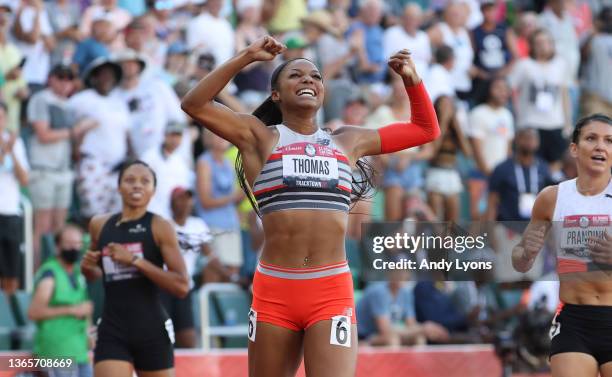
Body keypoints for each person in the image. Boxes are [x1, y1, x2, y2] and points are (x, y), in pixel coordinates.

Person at [181, 35, 439, 377]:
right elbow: (194, 104)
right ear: (276, 94)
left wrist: (412, 81)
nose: (308, 80)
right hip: (275, 289)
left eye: (316, 76)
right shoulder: (258, 137)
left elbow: (425, 129)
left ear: (323, 92)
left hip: (331, 288)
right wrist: (245, 57)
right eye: (296, 75)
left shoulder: (349, 140)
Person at [512, 114, 612, 377]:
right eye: (592, 139)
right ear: (574, 149)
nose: (601, 146)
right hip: (574, 321)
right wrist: (527, 252)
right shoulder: (551, 198)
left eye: (609, 141)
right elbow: (519, 261)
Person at [80, 160, 189, 377]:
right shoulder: (99, 225)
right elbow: (94, 274)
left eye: (144, 181)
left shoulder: (160, 226)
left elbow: (181, 286)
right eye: (130, 180)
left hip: (152, 329)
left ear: (153, 190)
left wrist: (135, 261)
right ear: (119, 187)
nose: (137, 185)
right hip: (112, 329)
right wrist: (88, 268)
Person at [27, 65, 97, 268]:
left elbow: (70, 140)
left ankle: (58, 272)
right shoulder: (41, 99)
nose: (65, 82)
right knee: (42, 226)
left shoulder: (68, 104)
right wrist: (78, 130)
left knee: (59, 227)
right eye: (61, 77)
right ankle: (37, 272)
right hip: (44, 169)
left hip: (63, 170)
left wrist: (80, 135)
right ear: (51, 78)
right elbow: (43, 134)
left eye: (69, 78)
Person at [29, 224, 93, 377]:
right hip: (55, 351)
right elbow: (34, 312)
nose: (74, 248)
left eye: (78, 244)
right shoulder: (49, 274)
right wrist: (71, 310)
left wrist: (88, 332)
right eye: (69, 244)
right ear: (57, 246)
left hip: (78, 350)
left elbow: (84, 307)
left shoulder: (77, 273)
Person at [0, 101, 29, 295]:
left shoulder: (15, 142)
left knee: (11, 271)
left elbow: (24, 179)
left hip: (10, 212)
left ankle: (8, 319)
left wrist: (10, 151)